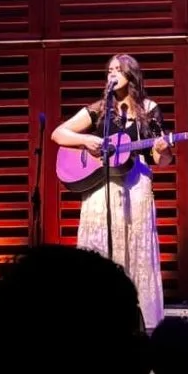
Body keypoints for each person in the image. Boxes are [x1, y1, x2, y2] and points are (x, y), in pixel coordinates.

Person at [51, 53, 173, 331]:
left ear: (132, 75)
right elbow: (58, 134)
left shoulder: (149, 108)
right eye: (109, 70)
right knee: (101, 249)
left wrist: (165, 150)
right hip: (99, 189)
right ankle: (96, 317)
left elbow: (161, 160)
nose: (113, 74)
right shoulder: (99, 109)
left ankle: (142, 325)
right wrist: (87, 140)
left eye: (118, 70)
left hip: (135, 186)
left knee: (134, 249)